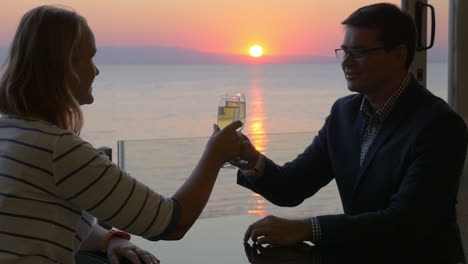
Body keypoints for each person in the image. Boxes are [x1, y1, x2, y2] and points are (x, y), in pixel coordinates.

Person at [0, 5, 242, 264]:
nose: (96, 70)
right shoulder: (60, 150)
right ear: (65, 64)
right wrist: (214, 156)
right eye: (90, 57)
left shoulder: (11, 133)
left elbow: (41, 219)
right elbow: (172, 224)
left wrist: (108, 239)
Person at [233, 3, 467, 262]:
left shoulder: (439, 124)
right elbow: (293, 186)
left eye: (359, 52)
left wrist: (307, 228)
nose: (347, 61)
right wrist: (250, 160)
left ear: (399, 54)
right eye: (345, 51)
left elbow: (406, 222)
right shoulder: (344, 114)